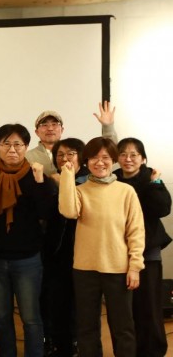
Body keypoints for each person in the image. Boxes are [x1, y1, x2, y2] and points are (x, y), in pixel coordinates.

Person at [59, 137, 145, 357]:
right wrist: (67, 176)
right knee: (86, 326)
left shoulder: (126, 191)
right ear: (86, 161)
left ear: (113, 160)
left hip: (118, 268)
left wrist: (135, 266)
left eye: (105, 157)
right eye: (94, 158)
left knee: (123, 326)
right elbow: (68, 211)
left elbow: (136, 231)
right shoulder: (80, 190)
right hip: (85, 269)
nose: (100, 162)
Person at [0, 123, 56, 357]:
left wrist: (40, 183)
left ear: (26, 147)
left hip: (28, 260)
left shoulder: (37, 177)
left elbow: (47, 214)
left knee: (31, 317)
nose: (12, 149)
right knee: (2, 316)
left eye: (17, 144)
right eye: (6, 144)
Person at [115, 137, 171, 357]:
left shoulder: (152, 178)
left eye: (134, 155)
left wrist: (153, 183)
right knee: (126, 309)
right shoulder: (113, 179)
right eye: (123, 154)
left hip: (147, 252)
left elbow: (163, 208)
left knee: (149, 307)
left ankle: (154, 352)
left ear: (143, 159)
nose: (128, 159)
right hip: (119, 252)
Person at [43, 138, 88, 356]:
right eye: (60, 154)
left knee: (79, 304)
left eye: (70, 153)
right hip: (57, 252)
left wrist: (66, 183)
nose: (65, 158)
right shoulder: (51, 180)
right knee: (56, 302)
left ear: (81, 157)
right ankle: (59, 345)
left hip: (84, 252)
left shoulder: (89, 181)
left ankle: (77, 344)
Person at [26, 101, 116, 176]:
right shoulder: (28, 157)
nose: (50, 128)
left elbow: (110, 151)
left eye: (54, 124)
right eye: (44, 125)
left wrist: (108, 127)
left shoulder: (78, 151)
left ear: (62, 130)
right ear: (37, 132)